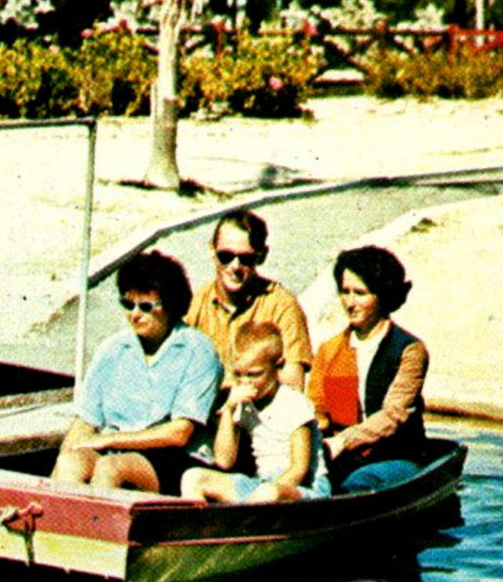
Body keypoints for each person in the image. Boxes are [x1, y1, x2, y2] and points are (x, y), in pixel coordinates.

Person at [51, 251, 223, 494]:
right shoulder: (113, 349)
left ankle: (100, 529)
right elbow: (85, 422)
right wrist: (62, 463)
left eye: (145, 306)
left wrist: (109, 440)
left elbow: (179, 432)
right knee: (72, 462)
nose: (135, 314)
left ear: (170, 305)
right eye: (128, 304)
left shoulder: (197, 350)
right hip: (117, 451)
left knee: (112, 468)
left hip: (176, 458)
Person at [309, 245, 429, 492]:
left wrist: (342, 441)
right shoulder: (329, 350)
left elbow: (393, 416)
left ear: (382, 296)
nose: (349, 303)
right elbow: (318, 413)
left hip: (395, 457)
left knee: (359, 483)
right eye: (345, 292)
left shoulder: (410, 350)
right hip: (344, 456)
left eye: (360, 293)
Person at [181, 320, 330, 503]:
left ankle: (247, 520)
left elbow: (300, 468)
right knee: (193, 477)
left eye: (254, 374)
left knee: (268, 493)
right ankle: (202, 528)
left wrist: (266, 493)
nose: (245, 382)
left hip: (304, 489)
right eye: (238, 374)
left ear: (279, 366)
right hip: (261, 484)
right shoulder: (244, 403)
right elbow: (224, 460)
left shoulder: (294, 404)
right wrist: (228, 411)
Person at [184, 209, 313, 390]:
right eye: (226, 256)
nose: (235, 266)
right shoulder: (195, 304)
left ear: (262, 255)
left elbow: (293, 384)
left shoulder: (282, 307)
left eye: (246, 259)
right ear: (212, 251)